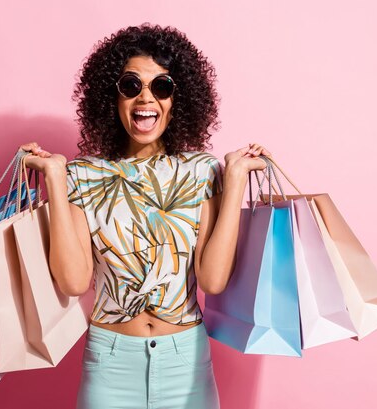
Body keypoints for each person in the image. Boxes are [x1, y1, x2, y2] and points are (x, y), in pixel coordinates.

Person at [20, 23, 271, 409]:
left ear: (178, 98)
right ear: (112, 96)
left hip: (185, 363)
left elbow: (213, 280)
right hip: (110, 364)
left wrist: (234, 178)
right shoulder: (82, 175)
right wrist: (54, 177)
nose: (146, 99)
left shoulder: (202, 172)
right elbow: (73, 282)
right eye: (131, 85)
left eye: (162, 87)